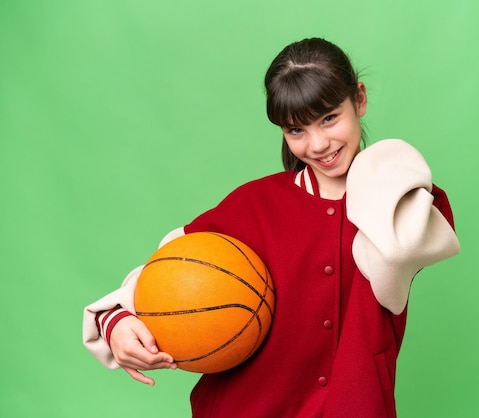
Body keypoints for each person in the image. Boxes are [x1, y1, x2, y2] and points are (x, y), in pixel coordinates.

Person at [83, 37, 460, 418]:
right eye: (296, 130)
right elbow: (167, 272)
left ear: (359, 99)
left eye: (329, 118)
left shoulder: (401, 202)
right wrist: (116, 322)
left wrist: (372, 168)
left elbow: (401, 248)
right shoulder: (253, 204)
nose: (317, 144)